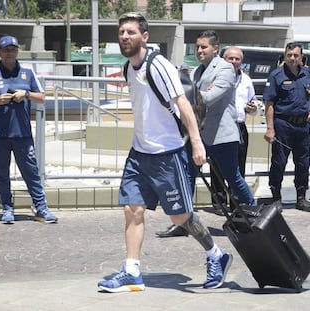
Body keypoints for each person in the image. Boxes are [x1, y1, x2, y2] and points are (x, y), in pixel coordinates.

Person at [97, 13, 233, 293]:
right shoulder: (128, 68)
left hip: (168, 155)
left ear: (144, 37)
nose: (125, 36)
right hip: (139, 154)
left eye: (131, 32)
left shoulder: (158, 65)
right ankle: (132, 272)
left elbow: (183, 103)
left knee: (180, 217)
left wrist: (196, 143)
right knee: (132, 209)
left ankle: (216, 255)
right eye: (122, 31)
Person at [156, 34, 255, 237]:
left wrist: (193, 94)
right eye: (198, 47)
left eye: (204, 47)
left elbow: (208, 98)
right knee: (187, 175)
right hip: (198, 134)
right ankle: (184, 222)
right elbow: (192, 96)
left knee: (233, 177)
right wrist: (193, 94)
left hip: (221, 134)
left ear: (215, 48)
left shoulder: (225, 68)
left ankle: (254, 212)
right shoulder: (196, 71)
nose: (199, 51)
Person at [0, 35, 58, 224]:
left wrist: (26, 94)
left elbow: (42, 98)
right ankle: (7, 208)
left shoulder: (28, 73)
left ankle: (41, 209)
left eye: (13, 49)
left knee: (31, 172)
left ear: (17, 51)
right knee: (2, 173)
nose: (10, 53)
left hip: (22, 133)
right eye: (6, 49)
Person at [263, 42, 310, 212]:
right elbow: (269, 104)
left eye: (296, 55)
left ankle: (301, 198)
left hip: (302, 126)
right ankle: (276, 198)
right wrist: (270, 129)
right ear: (285, 56)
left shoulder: (307, 73)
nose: (292, 58)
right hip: (283, 124)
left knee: (303, 162)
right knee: (279, 162)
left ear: (301, 57)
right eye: (289, 55)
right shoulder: (276, 75)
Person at [208, 46, 259, 215]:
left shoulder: (246, 81)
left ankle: (237, 203)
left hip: (238, 127)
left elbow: (255, 104)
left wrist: (253, 108)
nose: (234, 62)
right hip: (219, 126)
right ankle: (219, 202)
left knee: (238, 167)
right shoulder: (214, 77)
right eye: (230, 58)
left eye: (237, 59)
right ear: (223, 59)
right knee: (216, 166)